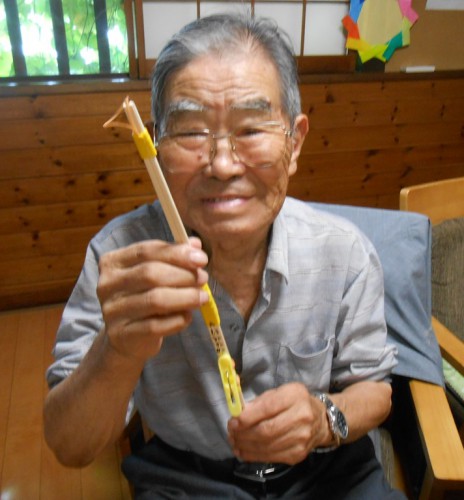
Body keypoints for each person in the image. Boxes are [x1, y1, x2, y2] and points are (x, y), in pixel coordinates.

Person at [44, 13, 404, 499]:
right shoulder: (121, 257)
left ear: (295, 141)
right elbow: (70, 446)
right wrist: (117, 348)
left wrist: (324, 420)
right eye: (191, 132)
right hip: (187, 478)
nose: (222, 164)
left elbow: (375, 390)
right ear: (155, 144)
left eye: (251, 129)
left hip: (326, 473)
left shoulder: (345, 252)